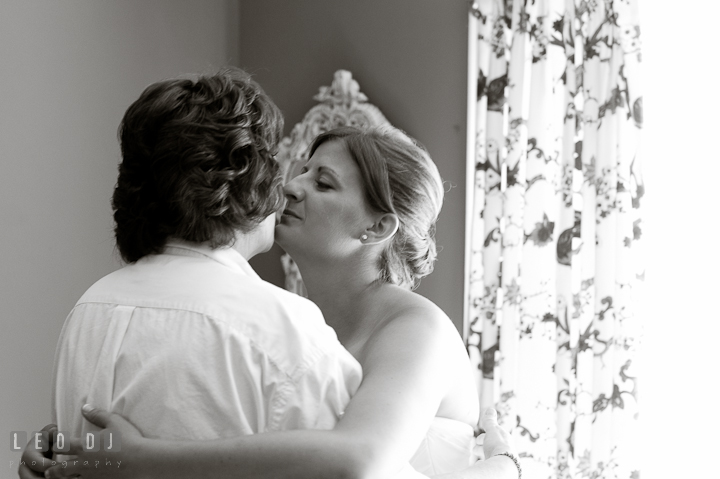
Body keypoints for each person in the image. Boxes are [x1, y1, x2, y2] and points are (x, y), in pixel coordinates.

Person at [20, 96, 519, 478]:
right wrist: (77, 449)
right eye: (300, 170)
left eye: (323, 183)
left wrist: (147, 459)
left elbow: (361, 459)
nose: (290, 187)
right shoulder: (289, 322)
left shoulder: (417, 329)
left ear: (376, 228)